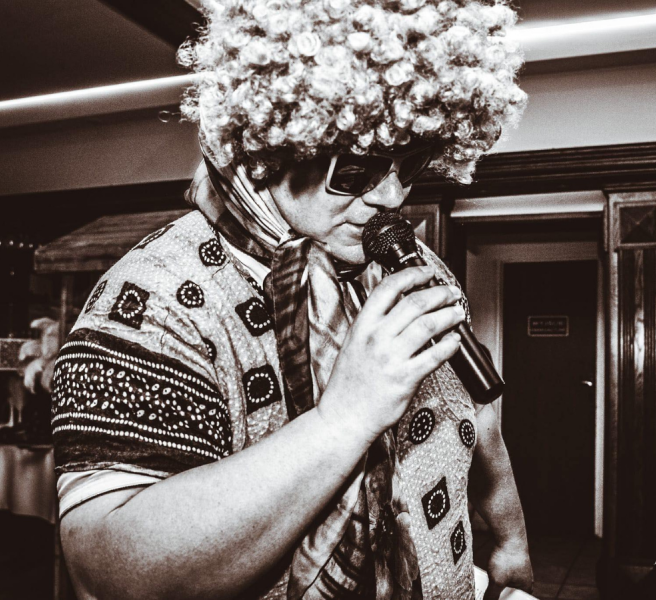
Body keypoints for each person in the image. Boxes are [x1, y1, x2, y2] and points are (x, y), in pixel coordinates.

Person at [51, 0, 532, 598]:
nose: (390, 196)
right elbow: (109, 568)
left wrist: (510, 541)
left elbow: (475, 413)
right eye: (355, 168)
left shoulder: (414, 264)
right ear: (272, 145)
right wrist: (344, 419)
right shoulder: (151, 297)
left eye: (410, 164)